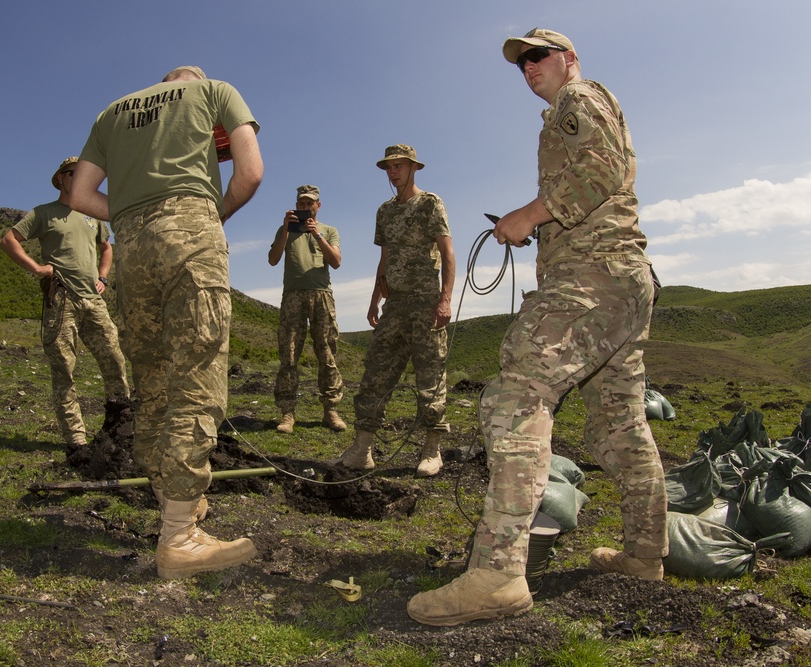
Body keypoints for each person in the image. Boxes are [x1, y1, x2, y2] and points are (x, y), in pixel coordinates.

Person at [407, 29, 669, 626]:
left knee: (517, 389)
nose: (528, 67)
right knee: (623, 427)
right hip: (623, 283)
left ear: (568, 60)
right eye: (521, 62)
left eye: (538, 55)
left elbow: (603, 170)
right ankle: (644, 556)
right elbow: (600, 176)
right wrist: (533, 225)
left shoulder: (577, 100)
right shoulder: (575, 111)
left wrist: (527, 216)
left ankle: (498, 575)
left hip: (593, 277)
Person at [69, 65, 264, 580]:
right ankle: (179, 536)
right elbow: (250, 173)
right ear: (192, 79)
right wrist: (202, 216)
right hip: (190, 232)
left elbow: (81, 197)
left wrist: (134, 215)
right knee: (198, 377)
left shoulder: (112, 111)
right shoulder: (214, 90)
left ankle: (170, 500)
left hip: (131, 245)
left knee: (151, 377)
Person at [331, 145, 455, 478]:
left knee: (430, 375)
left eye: (399, 165)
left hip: (426, 300)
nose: (393, 172)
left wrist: (444, 299)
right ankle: (362, 449)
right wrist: (375, 299)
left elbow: (447, 253)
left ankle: (431, 449)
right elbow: (384, 261)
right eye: (389, 167)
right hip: (395, 303)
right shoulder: (385, 212)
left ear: (414, 167)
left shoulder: (430, 203)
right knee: (376, 373)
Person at [0, 157, 131, 452]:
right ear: (61, 179)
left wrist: (103, 277)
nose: (82, 177)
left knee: (114, 359)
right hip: (62, 299)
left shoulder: (93, 215)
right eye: (75, 173)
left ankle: (122, 426)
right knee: (64, 369)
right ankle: (76, 440)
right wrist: (36, 268)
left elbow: (106, 248)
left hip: (93, 299)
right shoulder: (44, 213)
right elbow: (9, 239)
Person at [267, 185, 346, 434]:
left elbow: (336, 262)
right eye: (300, 204)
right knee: (289, 354)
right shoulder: (285, 230)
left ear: (318, 206)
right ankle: (288, 413)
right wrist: (286, 230)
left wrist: (317, 235)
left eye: (309, 204)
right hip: (292, 296)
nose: (304, 208)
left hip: (322, 296)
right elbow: (272, 259)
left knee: (327, 354)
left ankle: (330, 410)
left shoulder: (329, 231)